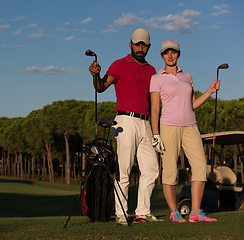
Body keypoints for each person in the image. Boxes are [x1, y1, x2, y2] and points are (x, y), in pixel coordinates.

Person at [89, 28, 162, 225]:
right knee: (124, 169)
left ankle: (142, 212)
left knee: (152, 170)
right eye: (137, 44)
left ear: (148, 47)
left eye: (144, 44)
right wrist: (95, 75)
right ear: (130, 44)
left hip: (145, 122)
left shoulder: (151, 70)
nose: (140, 47)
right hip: (125, 121)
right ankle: (121, 213)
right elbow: (101, 87)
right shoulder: (119, 64)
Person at [150, 39, 219, 222]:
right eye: (166, 52)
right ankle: (174, 212)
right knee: (170, 171)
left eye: (173, 52)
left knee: (199, 167)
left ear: (178, 54)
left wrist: (210, 91)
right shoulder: (156, 78)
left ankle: (196, 212)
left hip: (190, 126)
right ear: (162, 56)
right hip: (168, 127)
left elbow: (192, 104)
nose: (170, 55)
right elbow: (155, 108)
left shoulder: (187, 76)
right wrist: (155, 134)